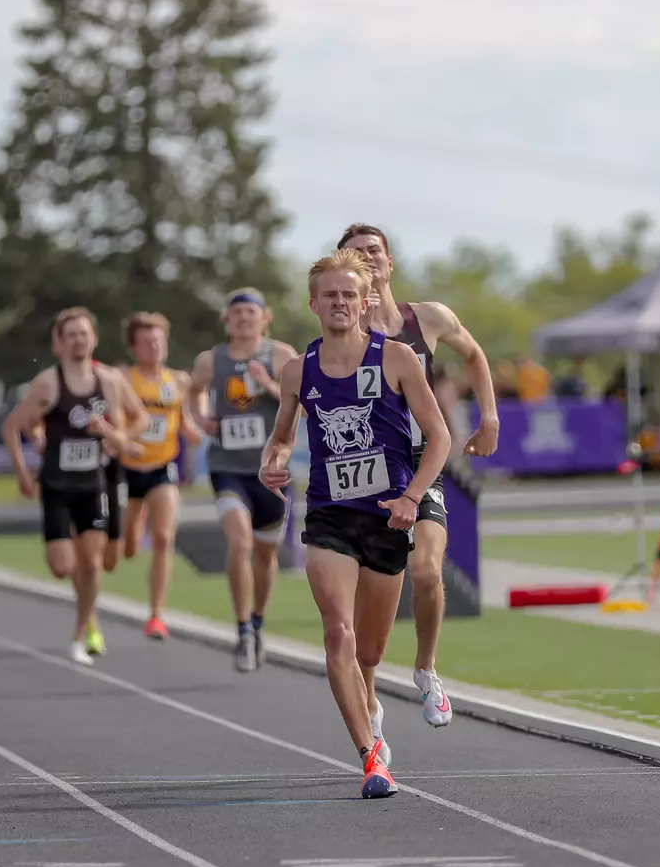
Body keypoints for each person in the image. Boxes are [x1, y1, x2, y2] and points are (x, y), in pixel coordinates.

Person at [260, 249, 450, 799]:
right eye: (330, 295)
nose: (340, 303)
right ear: (313, 303)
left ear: (366, 301)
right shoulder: (298, 370)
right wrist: (272, 459)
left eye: (350, 294)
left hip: (387, 518)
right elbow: (282, 436)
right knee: (337, 634)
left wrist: (413, 497)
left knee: (369, 652)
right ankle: (371, 759)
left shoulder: (397, 359)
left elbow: (437, 437)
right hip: (330, 515)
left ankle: (372, 698)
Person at [338, 223, 499, 730]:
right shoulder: (344, 333)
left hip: (420, 464)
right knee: (369, 597)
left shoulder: (428, 318)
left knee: (427, 571)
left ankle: (427, 670)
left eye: (374, 252)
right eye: (356, 255)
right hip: (366, 474)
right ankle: (368, 696)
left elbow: (473, 354)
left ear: (389, 264)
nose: (368, 260)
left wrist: (489, 417)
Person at [2, 308, 148, 665]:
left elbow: (141, 417)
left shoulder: (110, 381)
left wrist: (117, 437)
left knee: (94, 563)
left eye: (84, 334)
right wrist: (23, 473)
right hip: (56, 484)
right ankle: (89, 616)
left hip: (94, 482)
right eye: (71, 335)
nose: (79, 341)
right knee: (62, 567)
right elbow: (12, 427)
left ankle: (78, 635)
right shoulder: (49, 383)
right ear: (59, 343)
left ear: (94, 338)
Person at [189, 289, 299, 672]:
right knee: (239, 543)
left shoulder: (281, 355)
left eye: (250, 312)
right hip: (227, 467)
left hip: (270, 470)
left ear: (264, 318)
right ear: (227, 320)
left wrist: (268, 383)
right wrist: (200, 418)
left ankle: (257, 620)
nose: (243, 319)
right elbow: (194, 391)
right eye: (236, 313)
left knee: (266, 554)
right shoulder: (211, 360)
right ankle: (241, 631)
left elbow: (299, 403)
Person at [118, 311, 203, 641]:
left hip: (162, 467)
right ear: (135, 347)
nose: (154, 346)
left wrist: (198, 432)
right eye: (147, 341)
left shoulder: (178, 381)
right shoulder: (123, 379)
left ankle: (156, 615)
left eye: (159, 340)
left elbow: (185, 424)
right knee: (126, 548)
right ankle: (129, 530)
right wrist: (123, 439)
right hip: (127, 468)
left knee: (165, 537)